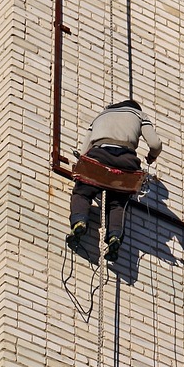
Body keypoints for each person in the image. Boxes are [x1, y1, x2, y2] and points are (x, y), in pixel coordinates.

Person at [66, 100, 162, 262]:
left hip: (99, 155)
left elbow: (85, 149)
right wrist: (152, 156)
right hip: (126, 162)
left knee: (82, 192)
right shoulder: (139, 115)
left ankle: (80, 221)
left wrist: (86, 166)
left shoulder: (100, 116)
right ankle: (114, 237)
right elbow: (155, 144)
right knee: (117, 202)